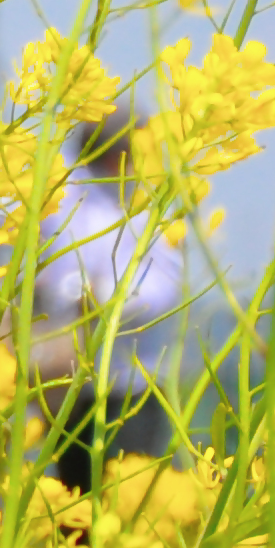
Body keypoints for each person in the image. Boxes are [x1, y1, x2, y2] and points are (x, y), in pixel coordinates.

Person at [31, 111, 185, 492]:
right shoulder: (65, 194)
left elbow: (164, 287)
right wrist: (71, 293)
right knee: (73, 498)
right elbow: (43, 270)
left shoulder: (154, 201)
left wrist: (105, 297)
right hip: (66, 381)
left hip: (130, 382)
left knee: (127, 490)